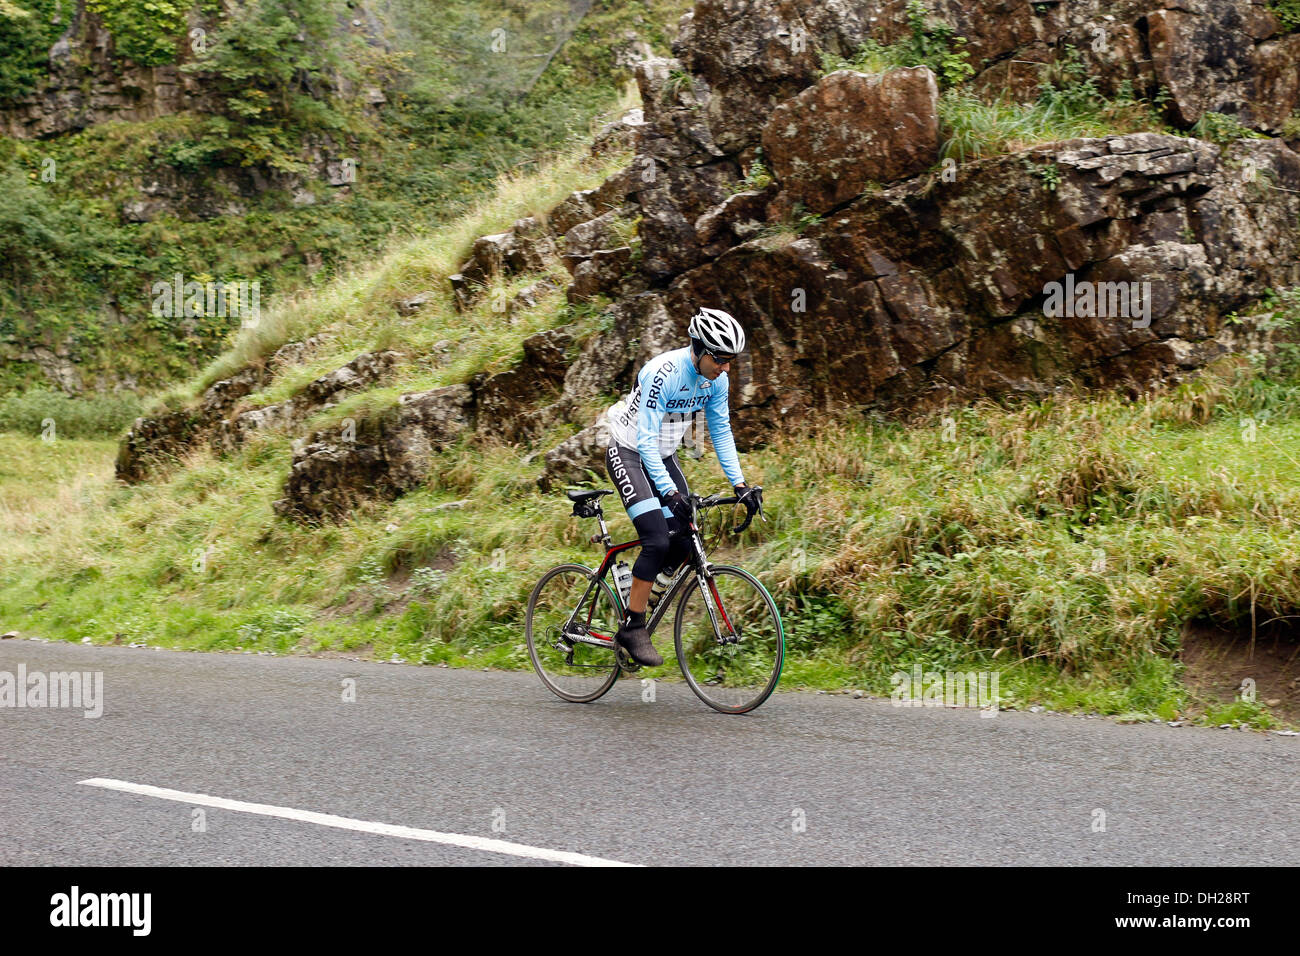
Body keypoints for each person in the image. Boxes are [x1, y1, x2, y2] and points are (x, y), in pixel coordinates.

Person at [604, 307, 763, 666]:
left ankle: (642, 590)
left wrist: (740, 484)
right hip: (629, 452)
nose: (726, 368)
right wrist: (670, 493)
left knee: (686, 535)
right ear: (700, 348)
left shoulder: (717, 381)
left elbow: (721, 431)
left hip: (663, 455)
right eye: (721, 359)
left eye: (731, 361)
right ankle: (632, 626)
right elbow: (645, 442)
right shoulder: (663, 373)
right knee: (657, 539)